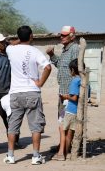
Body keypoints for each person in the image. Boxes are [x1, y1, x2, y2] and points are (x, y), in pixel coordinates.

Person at [4, 26, 51, 164]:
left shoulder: (10, 50)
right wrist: (40, 82)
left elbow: (10, 43)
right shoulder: (35, 51)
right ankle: (36, 156)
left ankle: (10, 156)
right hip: (32, 91)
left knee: (13, 125)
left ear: (18, 37)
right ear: (31, 36)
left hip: (15, 93)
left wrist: (19, 39)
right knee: (36, 126)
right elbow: (47, 67)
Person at [46, 26, 79, 157]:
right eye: (61, 35)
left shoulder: (75, 49)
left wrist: (71, 94)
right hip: (63, 92)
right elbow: (60, 65)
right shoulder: (66, 50)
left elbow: (76, 68)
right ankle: (63, 145)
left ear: (72, 36)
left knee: (66, 121)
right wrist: (52, 55)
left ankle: (65, 148)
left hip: (70, 94)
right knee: (62, 119)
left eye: (64, 35)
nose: (61, 37)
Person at [52, 59, 81, 161]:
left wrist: (65, 96)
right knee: (69, 133)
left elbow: (74, 98)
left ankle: (61, 153)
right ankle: (66, 152)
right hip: (76, 111)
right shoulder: (84, 80)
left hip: (68, 109)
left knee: (62, 129)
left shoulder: (74, 81)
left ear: (72, 70)